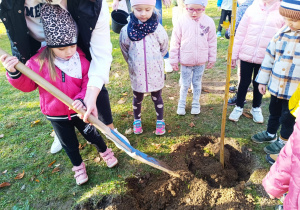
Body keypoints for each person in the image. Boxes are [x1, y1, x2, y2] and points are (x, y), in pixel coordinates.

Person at [0, 4, 118, 185]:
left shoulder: (80, 59)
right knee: (69, 145)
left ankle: (105, 152)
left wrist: (81, 99)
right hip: (56, 115)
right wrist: (14, 73)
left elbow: (88, 82)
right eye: (62, 49)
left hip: (78, 111)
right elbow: (28, 85)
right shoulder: (37, 62)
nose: (69, 52)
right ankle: (78, 167)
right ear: (50, 45)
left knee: (92, 134)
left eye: (72, 46)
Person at [251, 0, 300, 156]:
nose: (289, 23)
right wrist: (262, 80)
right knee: (274, 111)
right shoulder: (280, 34)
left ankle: (284, 141)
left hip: (294, 91)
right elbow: (269, 58)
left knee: (288, 117)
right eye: (286, 19)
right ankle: (270, 133)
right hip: (277, 85)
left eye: (294, 20)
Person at [228, 0, 285, 123]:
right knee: (243, 82)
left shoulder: (282, 12)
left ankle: (256, 107)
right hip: (247, 54)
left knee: (259, 83)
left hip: (265, 57)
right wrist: (234, 54)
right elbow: (241, 33)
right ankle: (238, 107)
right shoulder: (252, 8)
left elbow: (282, 38)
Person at [119, 0, 169, 135]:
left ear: (153, 8)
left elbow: (164, 47)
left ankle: (160, 120)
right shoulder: (127, 30)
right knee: (137, 97)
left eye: (147, 9)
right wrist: (133, 63)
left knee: (157, 96)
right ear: (133, 8)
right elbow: (125, 49)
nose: (143, 13)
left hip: (154, 70)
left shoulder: (158, 28)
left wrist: (156, 60)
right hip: (137, 70)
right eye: (139, 9)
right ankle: (137, 119)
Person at [169, 0, 217, 115]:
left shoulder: (209, 22)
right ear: (186, 7)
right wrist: (173, 59)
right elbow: (175, 42)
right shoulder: (181, 22)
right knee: (185, 84)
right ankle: (182, 103)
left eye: (198, 10)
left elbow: (212, 42)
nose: (194, 13)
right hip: (186, 60)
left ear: (204, 8)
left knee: (196, 82)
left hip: (200, 61)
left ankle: (196, 103)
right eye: (191, 9)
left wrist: (212, 58)